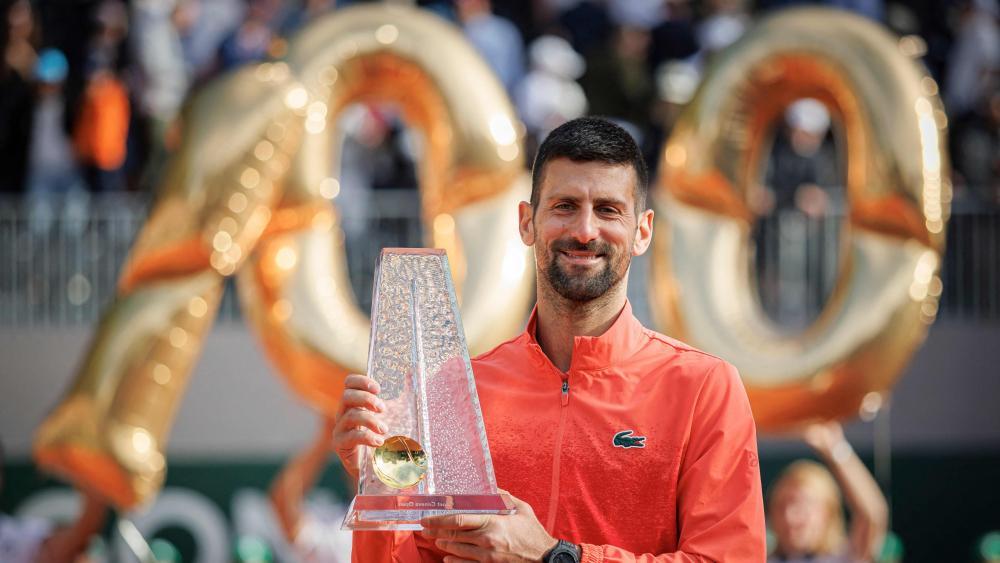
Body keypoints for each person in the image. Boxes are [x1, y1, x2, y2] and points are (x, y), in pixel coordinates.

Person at [336, 117, 766, 562]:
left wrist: (554, 556)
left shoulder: (703, 387)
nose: (584, 231)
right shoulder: (456, 393)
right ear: (527, 222)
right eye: (564, 206)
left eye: (608, 210)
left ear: (643, 231)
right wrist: (379, 486)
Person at [767, 422, 888, 563]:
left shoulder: (845, 557)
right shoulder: (761, 559)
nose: (790, 517)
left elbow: (872, 515)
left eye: (803, 505)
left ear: (828, 511)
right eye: (781, 506)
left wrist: (835, 448)